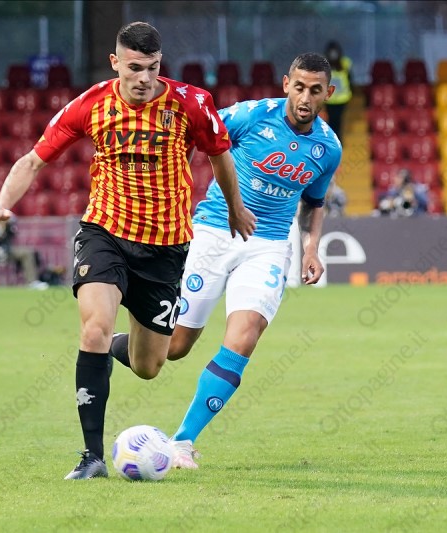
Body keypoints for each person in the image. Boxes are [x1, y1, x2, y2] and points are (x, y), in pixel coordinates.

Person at [0, 21, 256, 479]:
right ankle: (91, 457)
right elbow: (33, 160)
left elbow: (219, 154)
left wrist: (235, 207)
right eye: (134, 68)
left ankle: (106, 348)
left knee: (151, 365)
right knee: (93, 328)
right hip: (105, 234)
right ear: (115, 63)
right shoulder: (92, 104)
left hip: (165, 248)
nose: (144, 78)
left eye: (152, 67)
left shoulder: (191, 103)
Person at [108, 52, 342, 468]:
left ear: (329, 93)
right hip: (215, 232)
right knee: (175, 347)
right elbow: (196, 133)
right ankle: (111, 344)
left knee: (245, 336)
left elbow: (315, 202)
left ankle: (183, 441)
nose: (306, 98)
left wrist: (311, 248)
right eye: (299, 87)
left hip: (269, 246)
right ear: (286, 84)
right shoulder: (252, 116)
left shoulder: (329, 148)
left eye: (315, 90)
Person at [0, 209, 48, 290]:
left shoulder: (8, 225)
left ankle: (32, 281)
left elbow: (9, 237)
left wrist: (5, 228)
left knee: (26, 253)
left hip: (6, 251)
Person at [324, 40, 352, 141]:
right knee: (331, 121)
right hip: (329, 99)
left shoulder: (345, 63)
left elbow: (350, 79)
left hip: (342, 98)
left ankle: (338, 141)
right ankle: (332, 141)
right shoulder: (324, 64)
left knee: (338, 121)